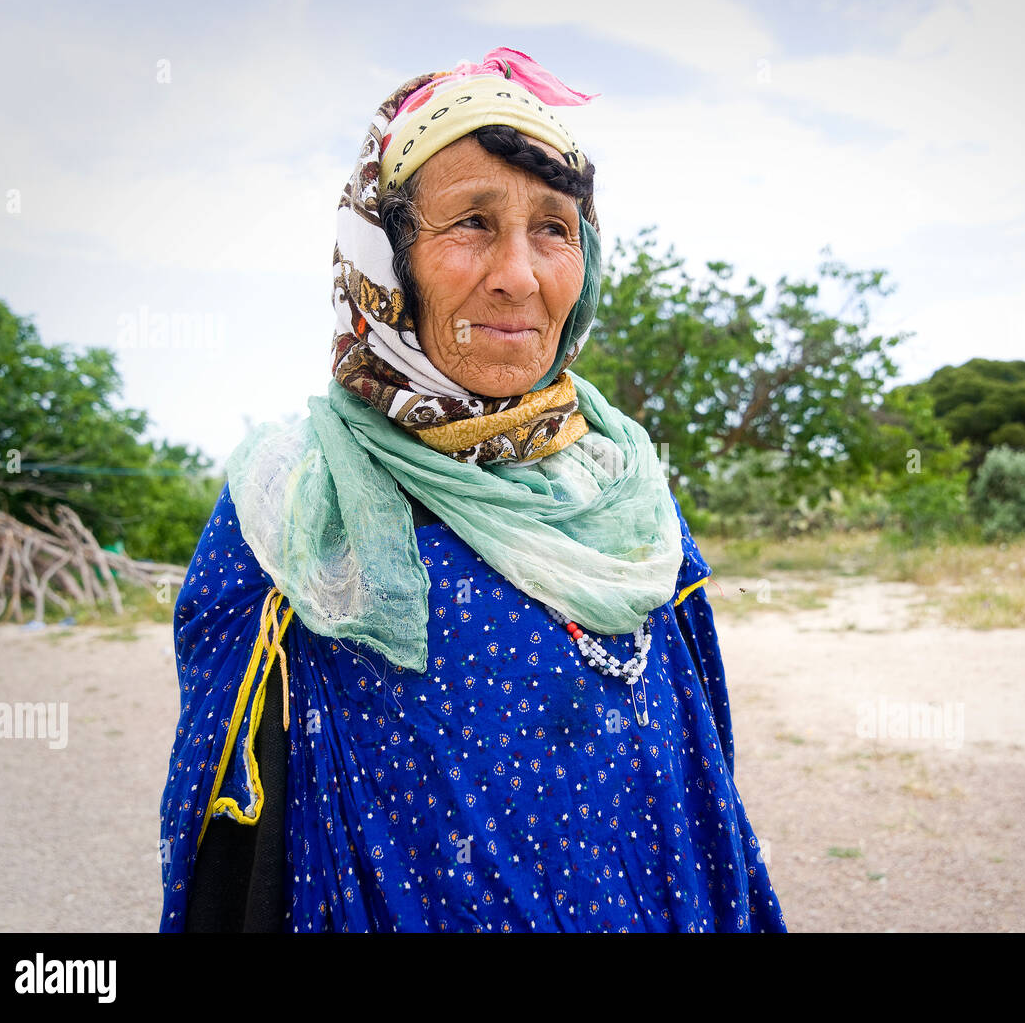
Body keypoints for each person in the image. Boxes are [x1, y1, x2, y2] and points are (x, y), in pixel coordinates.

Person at [158, 47, 785, 933]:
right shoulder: (301, 501)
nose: (520, 276)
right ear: (386, 258)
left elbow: (701, 784)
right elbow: (223, 845)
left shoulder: (623, 488)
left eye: (555, 229)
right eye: (472, 224)